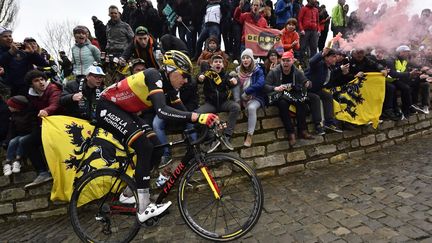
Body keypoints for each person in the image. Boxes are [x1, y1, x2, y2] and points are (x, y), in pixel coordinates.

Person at [95, 50, 219, 223]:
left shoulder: (170, 88)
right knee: (144, 146)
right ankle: (144, 208)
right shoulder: (154, 75)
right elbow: (162, 111)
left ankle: (127, 194)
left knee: (156, 148)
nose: (185, 81)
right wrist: (197, 116)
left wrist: (208, 125)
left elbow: (185, 114)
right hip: (106, 107)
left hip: (126, 112)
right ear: (170, 70)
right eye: (183, 75)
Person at [264, 51, 313, 146]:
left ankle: (302, 130)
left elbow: (307, 82)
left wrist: (307, 83)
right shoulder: (274, 72)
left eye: (288, 61)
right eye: (283, 61)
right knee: (283, 104)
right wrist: (275, 88)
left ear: (292, 61)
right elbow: (265, 86)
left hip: (293, 95)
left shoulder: (297, 71)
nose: (285, 63)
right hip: (278, 95)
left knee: (302, 103)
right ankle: (291, 133)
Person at [24, 70, 62, 189]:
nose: (41, 82)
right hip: (44, 126)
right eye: (36, 81)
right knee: (28, 142)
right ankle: (43, 172)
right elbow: (32, 115)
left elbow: (55, 104)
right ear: (31, 84)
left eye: (42, 79)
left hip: (59, 125)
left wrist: (47, 110)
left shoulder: (53, 88)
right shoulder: (31, 96)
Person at [197, 54, 240, 152]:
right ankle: (211, 138)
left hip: (223, 103)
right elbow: (199, 78)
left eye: (220, 62)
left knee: (236, 107)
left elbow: (232, 81)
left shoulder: (226, 75)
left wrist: (234, 80)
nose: (218, 63)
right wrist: (200, 78)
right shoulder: (207, 74)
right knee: (198, 113)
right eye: (216, 62)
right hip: (210, 104)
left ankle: (227, 135)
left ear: (223, 65)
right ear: (211, 64)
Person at [305, 48, 344, 135]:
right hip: (304, 90)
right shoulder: (319, 64)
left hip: (316, 89)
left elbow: (329, 80)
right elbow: (311, 62)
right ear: (326, 57)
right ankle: (318, 125)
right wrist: (321, 53)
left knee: (328, 96)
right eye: (333, 56)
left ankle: (329, 123)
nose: (336, 58)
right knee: (315, 98)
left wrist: (341, 71)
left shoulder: (328, 67)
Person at [0, 27, 49, 96]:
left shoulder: (21, 48)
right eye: (5, 36)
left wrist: (33, 53)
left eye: (10, 36)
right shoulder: (3, 52)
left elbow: (43, 63)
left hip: (29, 87)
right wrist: (10, 53)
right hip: (11, 89)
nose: (9, 38)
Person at [233, 49, 266, 147]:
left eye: (247, 58)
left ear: (251, 59)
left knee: (251, 108)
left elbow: (260, 83)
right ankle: (237, 103)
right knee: (234, 81)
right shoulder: (238, 70)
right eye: (243, 58)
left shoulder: (258, 70)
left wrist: (247, 92)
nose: (245, 60)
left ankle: (249, 135)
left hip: (255, 97)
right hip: (241, 98)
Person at [2, 96, 35, 176]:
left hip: (30, 134)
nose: (8, 107)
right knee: (13, 141)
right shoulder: (14, 115)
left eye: (10, 105)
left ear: (17, 107)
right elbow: (11, 130)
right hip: (20, 134)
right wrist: (7, 141)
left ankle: (18, 160)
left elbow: (34, 127)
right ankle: (8, 162)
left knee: (21, 140)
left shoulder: (30, 114)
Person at [298, 0, 320, 65]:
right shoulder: (303, 9)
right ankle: (301, 62)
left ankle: (313, 62)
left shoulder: (316, 10)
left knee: (314, 47)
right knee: (303, 47)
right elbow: (300, 20)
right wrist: (301, 29)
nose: (314, 1)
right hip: (305, 31)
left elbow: (317, 21)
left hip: (314, 31)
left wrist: (318, 30)